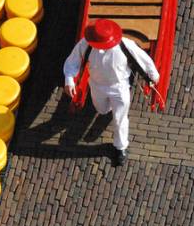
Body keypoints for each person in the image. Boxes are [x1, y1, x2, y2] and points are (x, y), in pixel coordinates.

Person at [63, 19, 159, 166]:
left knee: (120, 119)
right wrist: (69, 80)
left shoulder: (125, 45)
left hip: (119, 88)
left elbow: (144, 60)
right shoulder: (85, 44)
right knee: (101, 110)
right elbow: (72, 61)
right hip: (97, 86)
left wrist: (153, 76)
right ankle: (108, 111)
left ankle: (121, 147)